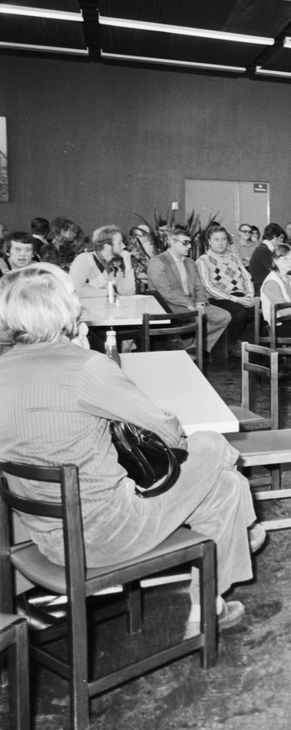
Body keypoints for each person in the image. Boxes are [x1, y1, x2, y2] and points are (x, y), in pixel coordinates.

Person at [0, 265, 263, 631]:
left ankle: (209, 607)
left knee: (226, 487)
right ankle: (247, 529)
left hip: (46, 536)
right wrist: (85, 354)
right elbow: (167, 432)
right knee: (211, 443)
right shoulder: (85, 367)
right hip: (109, 532)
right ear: (64, 310)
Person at [147, 227, 231, 353]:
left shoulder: (190, 263)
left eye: (190, 242)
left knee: (223, 316)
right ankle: (189, 348)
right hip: (168, 304)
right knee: (196, 317)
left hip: (191, 303)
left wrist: (200, 303)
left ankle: (193, 347)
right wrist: (190, 305)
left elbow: (199, 287)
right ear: (173, 242)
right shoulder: (157, 262)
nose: (190, 246)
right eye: (185, 243)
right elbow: (166, 292)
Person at [196, 226, 255, 347]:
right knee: (240, 314)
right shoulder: (203, 260)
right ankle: (229, 344)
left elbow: (247, 277)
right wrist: (236, 299)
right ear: (209, 241)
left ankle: (242, 342)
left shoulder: (234, 257)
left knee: (263, 312)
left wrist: (249, 294)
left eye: (223, 239)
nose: (220, 243)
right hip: (218, 298)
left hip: (240, 295)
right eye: (216, 239)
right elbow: (209, 287)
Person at [68, 225, 135, 298]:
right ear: (107, 246)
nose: (123, 246)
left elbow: (128, 293)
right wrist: (108, 292)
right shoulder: (84, 259)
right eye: (119, 243)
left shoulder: (114, 265)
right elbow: (75, 290)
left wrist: (128, 266)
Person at [247, 223, 287, 294]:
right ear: (275, 236)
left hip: (265, 284)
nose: (282, 241)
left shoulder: (264, 248)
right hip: (261, 287)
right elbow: (275, 271)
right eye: (281, 237)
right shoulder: (264, 250)